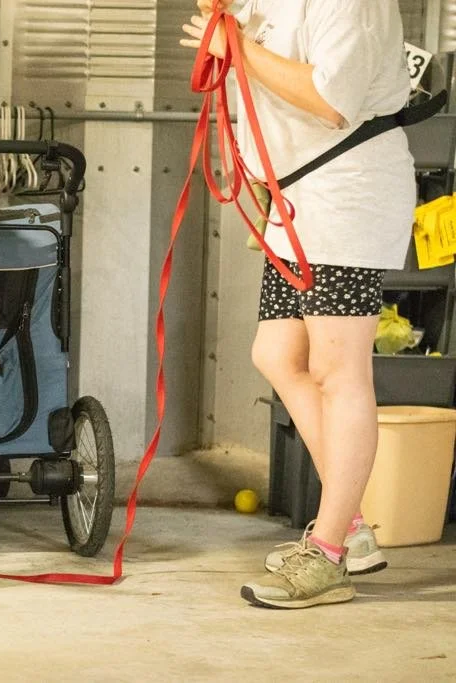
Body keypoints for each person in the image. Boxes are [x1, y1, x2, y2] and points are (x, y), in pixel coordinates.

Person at [181, 0, 417, 609]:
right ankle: (353, 523)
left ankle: (332, 552)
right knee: (277, 354)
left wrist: (237, 48)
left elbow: (330, 98)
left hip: (346, 196)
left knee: (340, 373)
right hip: (297, 201)